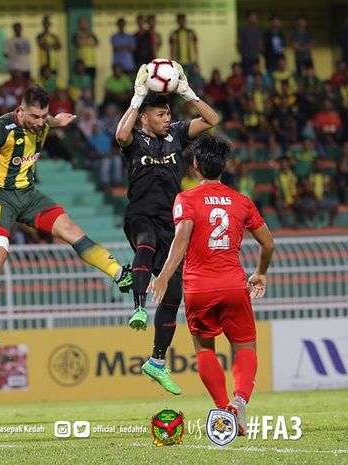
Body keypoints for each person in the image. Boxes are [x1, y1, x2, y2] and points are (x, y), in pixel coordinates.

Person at [0, 85, 132, 346]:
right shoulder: (0, 130)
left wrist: (59, 122)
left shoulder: (42, 121)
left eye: (44, 117)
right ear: (21, 111)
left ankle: (119, 274)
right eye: (34, 117)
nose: (40, 124)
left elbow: (49, 120)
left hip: (28, 194)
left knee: (71, 229)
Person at [150, 134, 274, 435]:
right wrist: (260, 272)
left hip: (198, 288)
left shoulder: (186, 199)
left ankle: (223, 409)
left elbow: (181, 239)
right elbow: (268, 244)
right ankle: (240, 399)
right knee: (245, 347)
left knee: (205, 349)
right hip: (233, 285)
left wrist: (165, 275)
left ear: (195, 166)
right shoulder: (241, 201)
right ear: (224, 167)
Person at [114, 61, 219, 395]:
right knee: (144, 245)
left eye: (168, 114)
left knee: (175, 291)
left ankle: (157, 361)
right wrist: (137, 98)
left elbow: (213, 120)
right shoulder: (134, 139)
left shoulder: (176, 134)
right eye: (161, 115)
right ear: (145, 118)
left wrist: (188, 92)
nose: (167, 119)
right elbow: (120, 134)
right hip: (140, 215)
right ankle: (140, 308)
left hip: (170, 220)